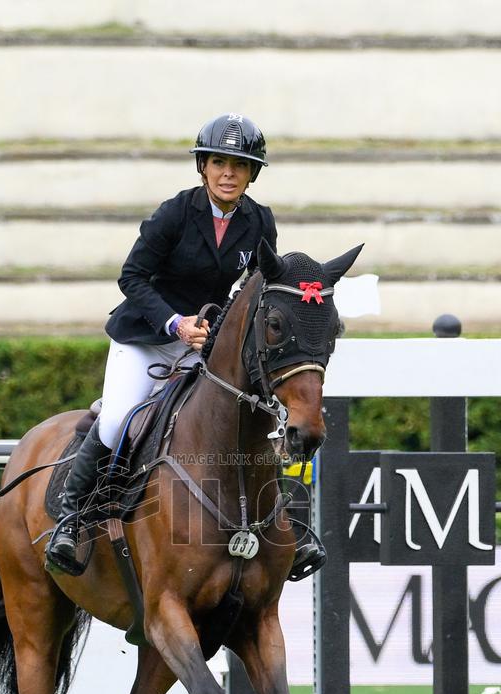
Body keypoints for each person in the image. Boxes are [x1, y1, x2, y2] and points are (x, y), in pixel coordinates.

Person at [46, 112, 324, 578]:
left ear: (253, 173)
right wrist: (175, 323)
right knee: (118, 417)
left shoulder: (260, 222)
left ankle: (287, 529)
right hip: (148, 338)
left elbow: (259, 288)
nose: (229, 173)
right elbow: (131, 278)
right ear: (203, 167)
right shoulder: (175, 213)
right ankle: (73, 517)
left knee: (256, 418)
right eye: (219, 162)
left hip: (206, 346)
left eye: (240, 165)